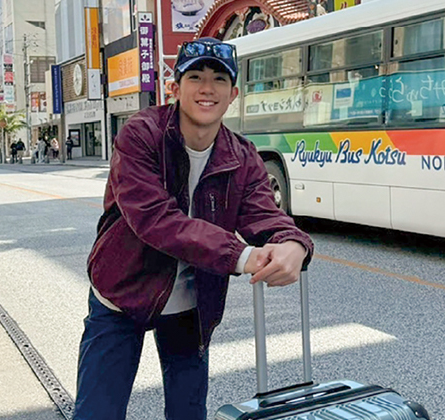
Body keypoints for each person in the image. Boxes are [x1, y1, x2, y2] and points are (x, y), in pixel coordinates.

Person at [75, 37, 314, 420]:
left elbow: (265, 216)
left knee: (188, 413)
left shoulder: (242, 156)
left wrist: (293, 244)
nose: (207, 88)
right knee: (97, 413)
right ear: (175, 87)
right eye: (196, 77)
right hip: (122, 294)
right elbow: (154, 218)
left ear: (233, 94)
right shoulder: (141, 135)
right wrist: (242, 256)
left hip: (191, 304)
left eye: (219, 79)